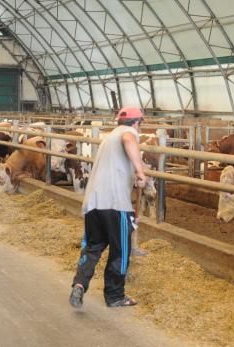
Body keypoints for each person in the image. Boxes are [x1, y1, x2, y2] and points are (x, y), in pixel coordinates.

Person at [69, 107, 147, 308]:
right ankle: (115, 296)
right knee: (120, 250)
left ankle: (79, 284)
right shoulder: (127, 133)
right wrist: (140, 172)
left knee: (93, 247)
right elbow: (129, 140)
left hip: (94, 202)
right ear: (137, 122)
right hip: (114, 204)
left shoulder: (109, 136)